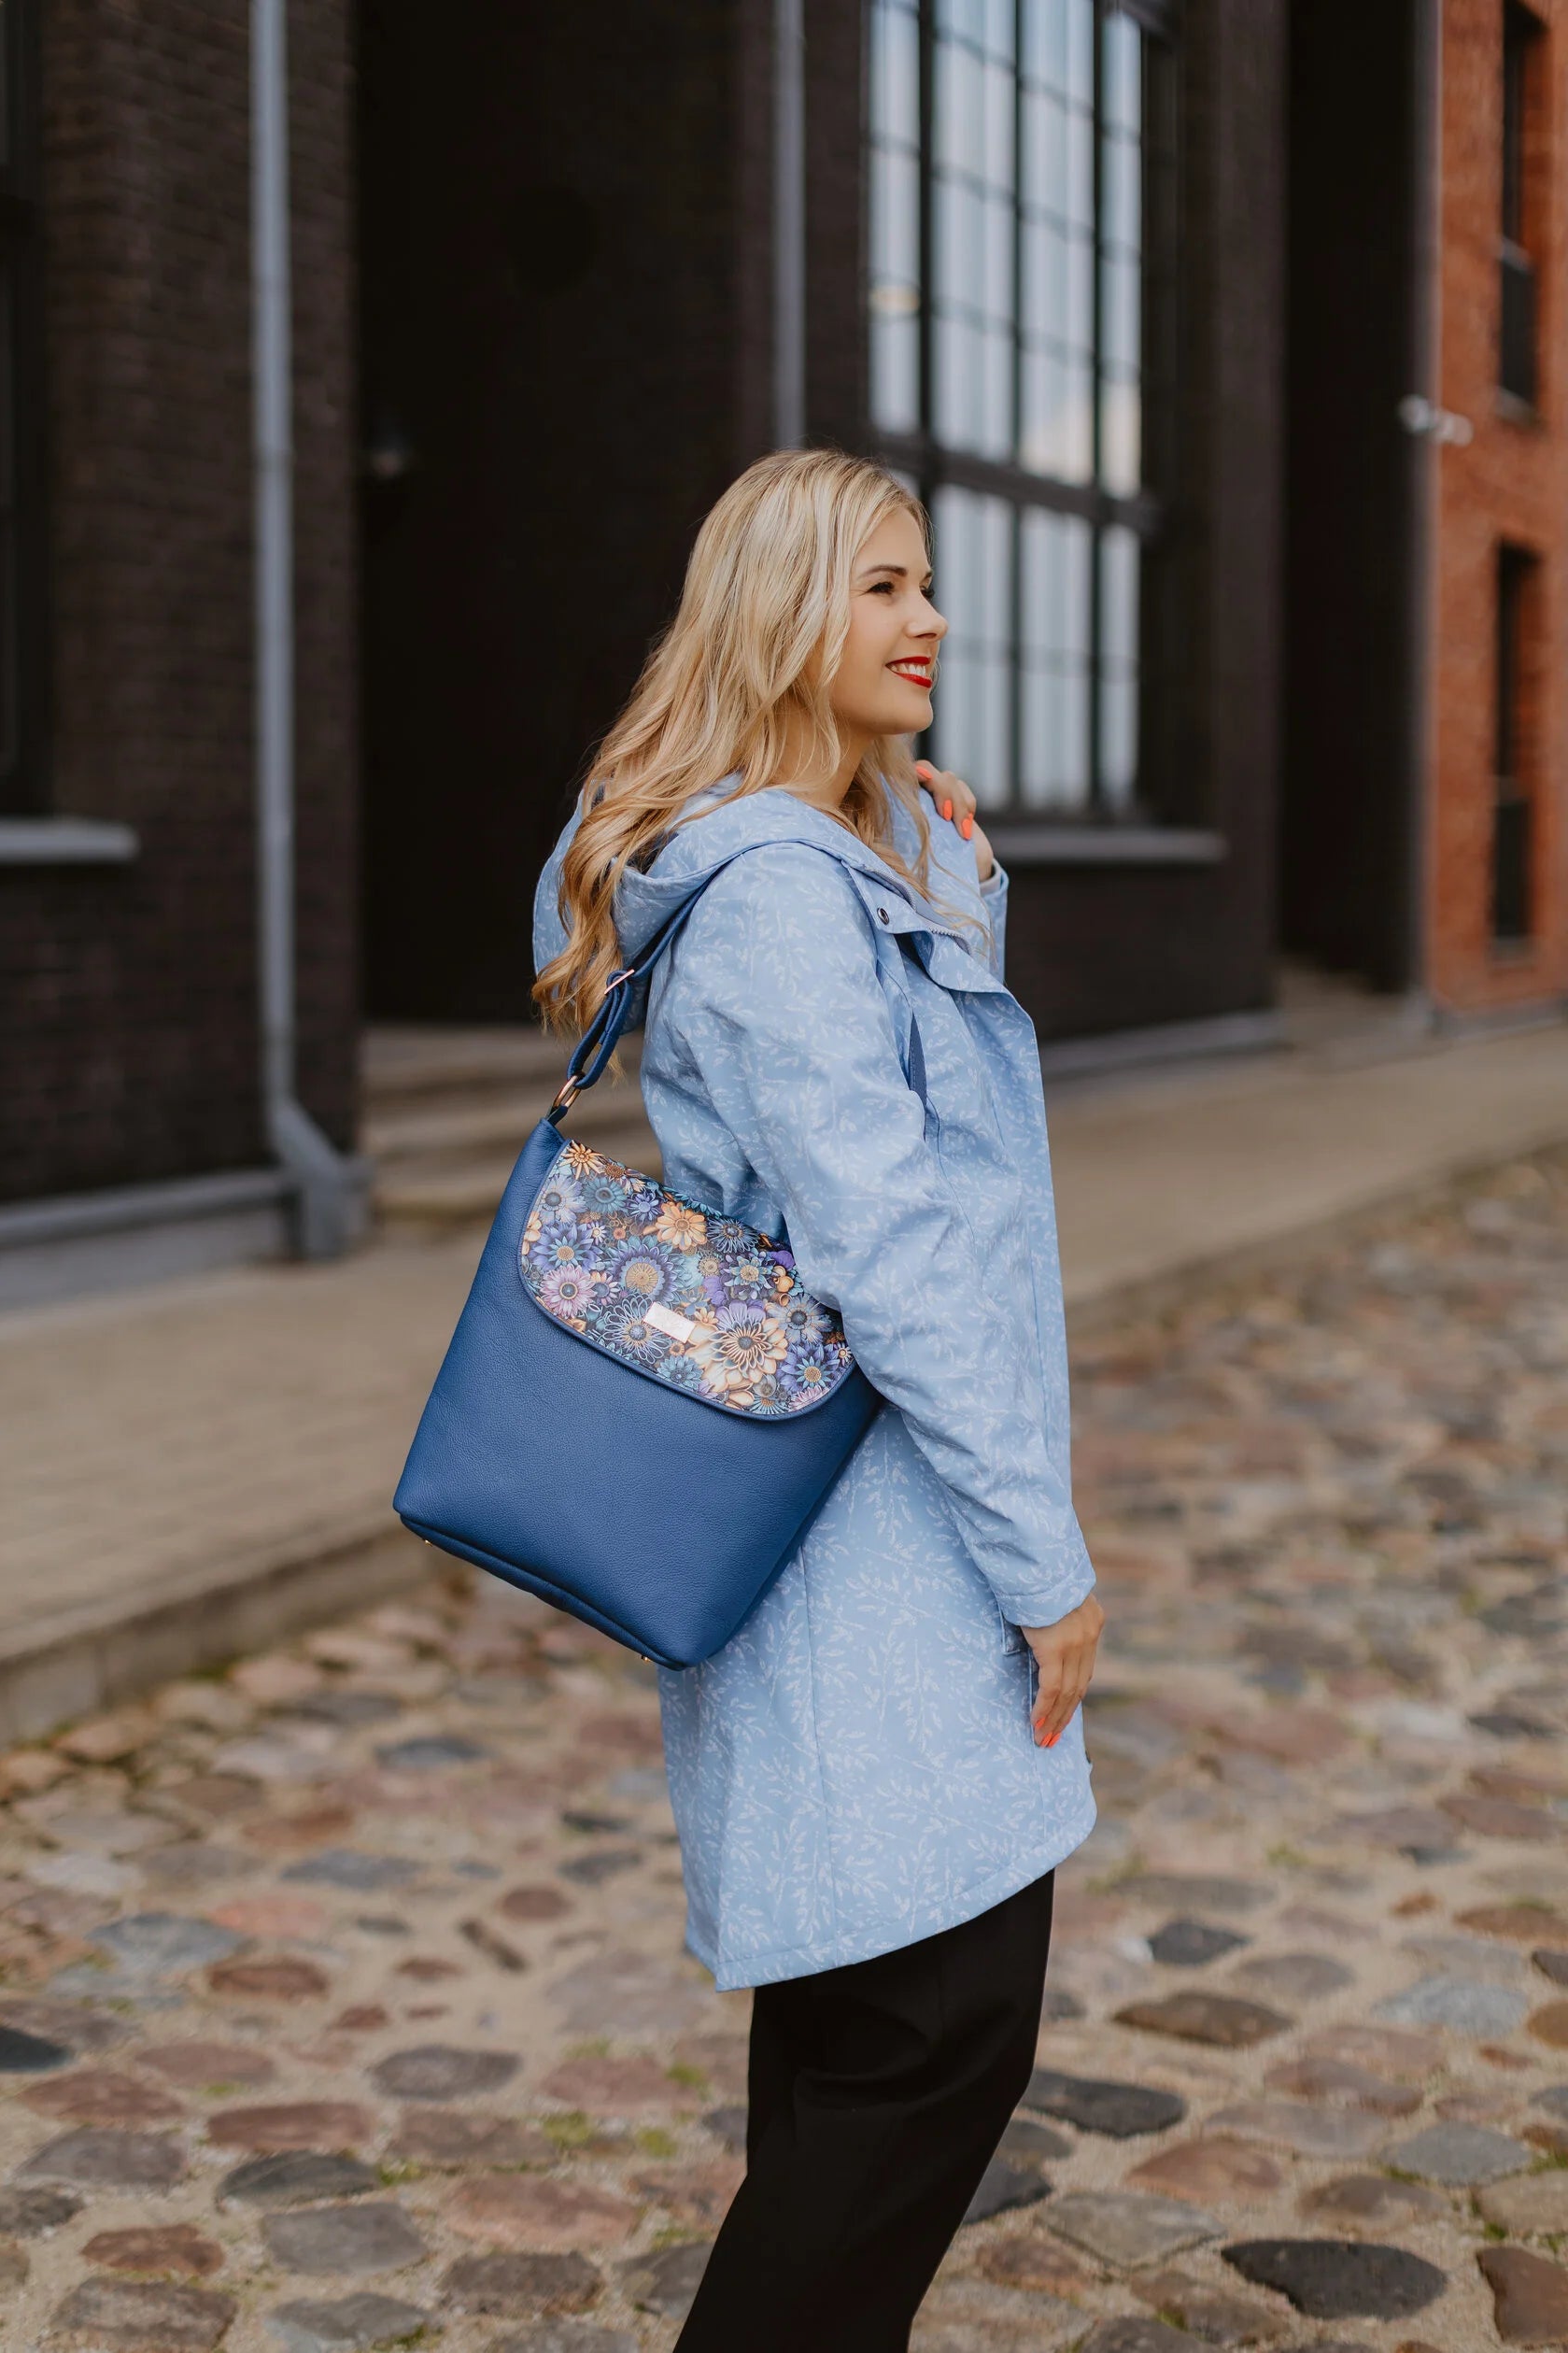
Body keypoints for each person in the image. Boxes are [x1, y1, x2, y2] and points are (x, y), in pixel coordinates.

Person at [532, 448, 1104, 2350]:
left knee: (868, 2036)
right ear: (781, 614)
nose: (929, 618)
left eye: (925, 581)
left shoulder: (814, 866)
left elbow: (914, 1148)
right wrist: (1042, 1558)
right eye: (881, 585)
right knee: (934, 2043)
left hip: (861, 1535)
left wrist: (951, 906)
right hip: (873, 1544)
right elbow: (900, 1252)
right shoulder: (781, 894)